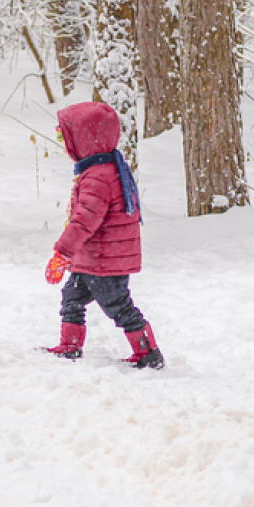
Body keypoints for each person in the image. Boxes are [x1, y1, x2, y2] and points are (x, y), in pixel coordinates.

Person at [42, 102, 164, 369]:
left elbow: (84, 221)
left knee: (118, 306)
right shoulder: (103, 169)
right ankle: (69, 345)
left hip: (104, 261)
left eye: (66, 139)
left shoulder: (98, 176)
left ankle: (148, 352)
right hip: (95, 258)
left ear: (84, 139)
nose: (64, 147)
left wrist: (62, 253)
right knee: (72, 296)